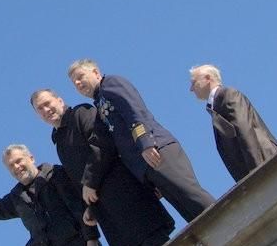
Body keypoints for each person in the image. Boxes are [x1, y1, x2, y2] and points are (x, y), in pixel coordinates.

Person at [29, 88, 174, 246]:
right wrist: (90, 210)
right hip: (107, 212)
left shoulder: (81, 113)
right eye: (40, 109)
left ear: (59, 100)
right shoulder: (59, 141)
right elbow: (77, 182)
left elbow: (102, 145)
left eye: (47, 103)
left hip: (127, 195)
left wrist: (90, 183)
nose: (46, 110)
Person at [68, 59, 215, 222]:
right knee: (187, 210)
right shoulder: (99, 102)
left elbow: (134, 111)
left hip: (157, 150)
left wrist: (145, 142)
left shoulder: (110, 83)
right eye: (74, 83)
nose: (78, 83)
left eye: (80, 77)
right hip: (146, 165)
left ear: (96, 72)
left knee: (191, 196)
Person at [189, 65, 277, 182]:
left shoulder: (228, 95)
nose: (191, 89)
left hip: (266, 162)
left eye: (193, 82)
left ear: (207, 78)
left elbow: (244, 130)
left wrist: (257, 172)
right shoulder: (215, 105)